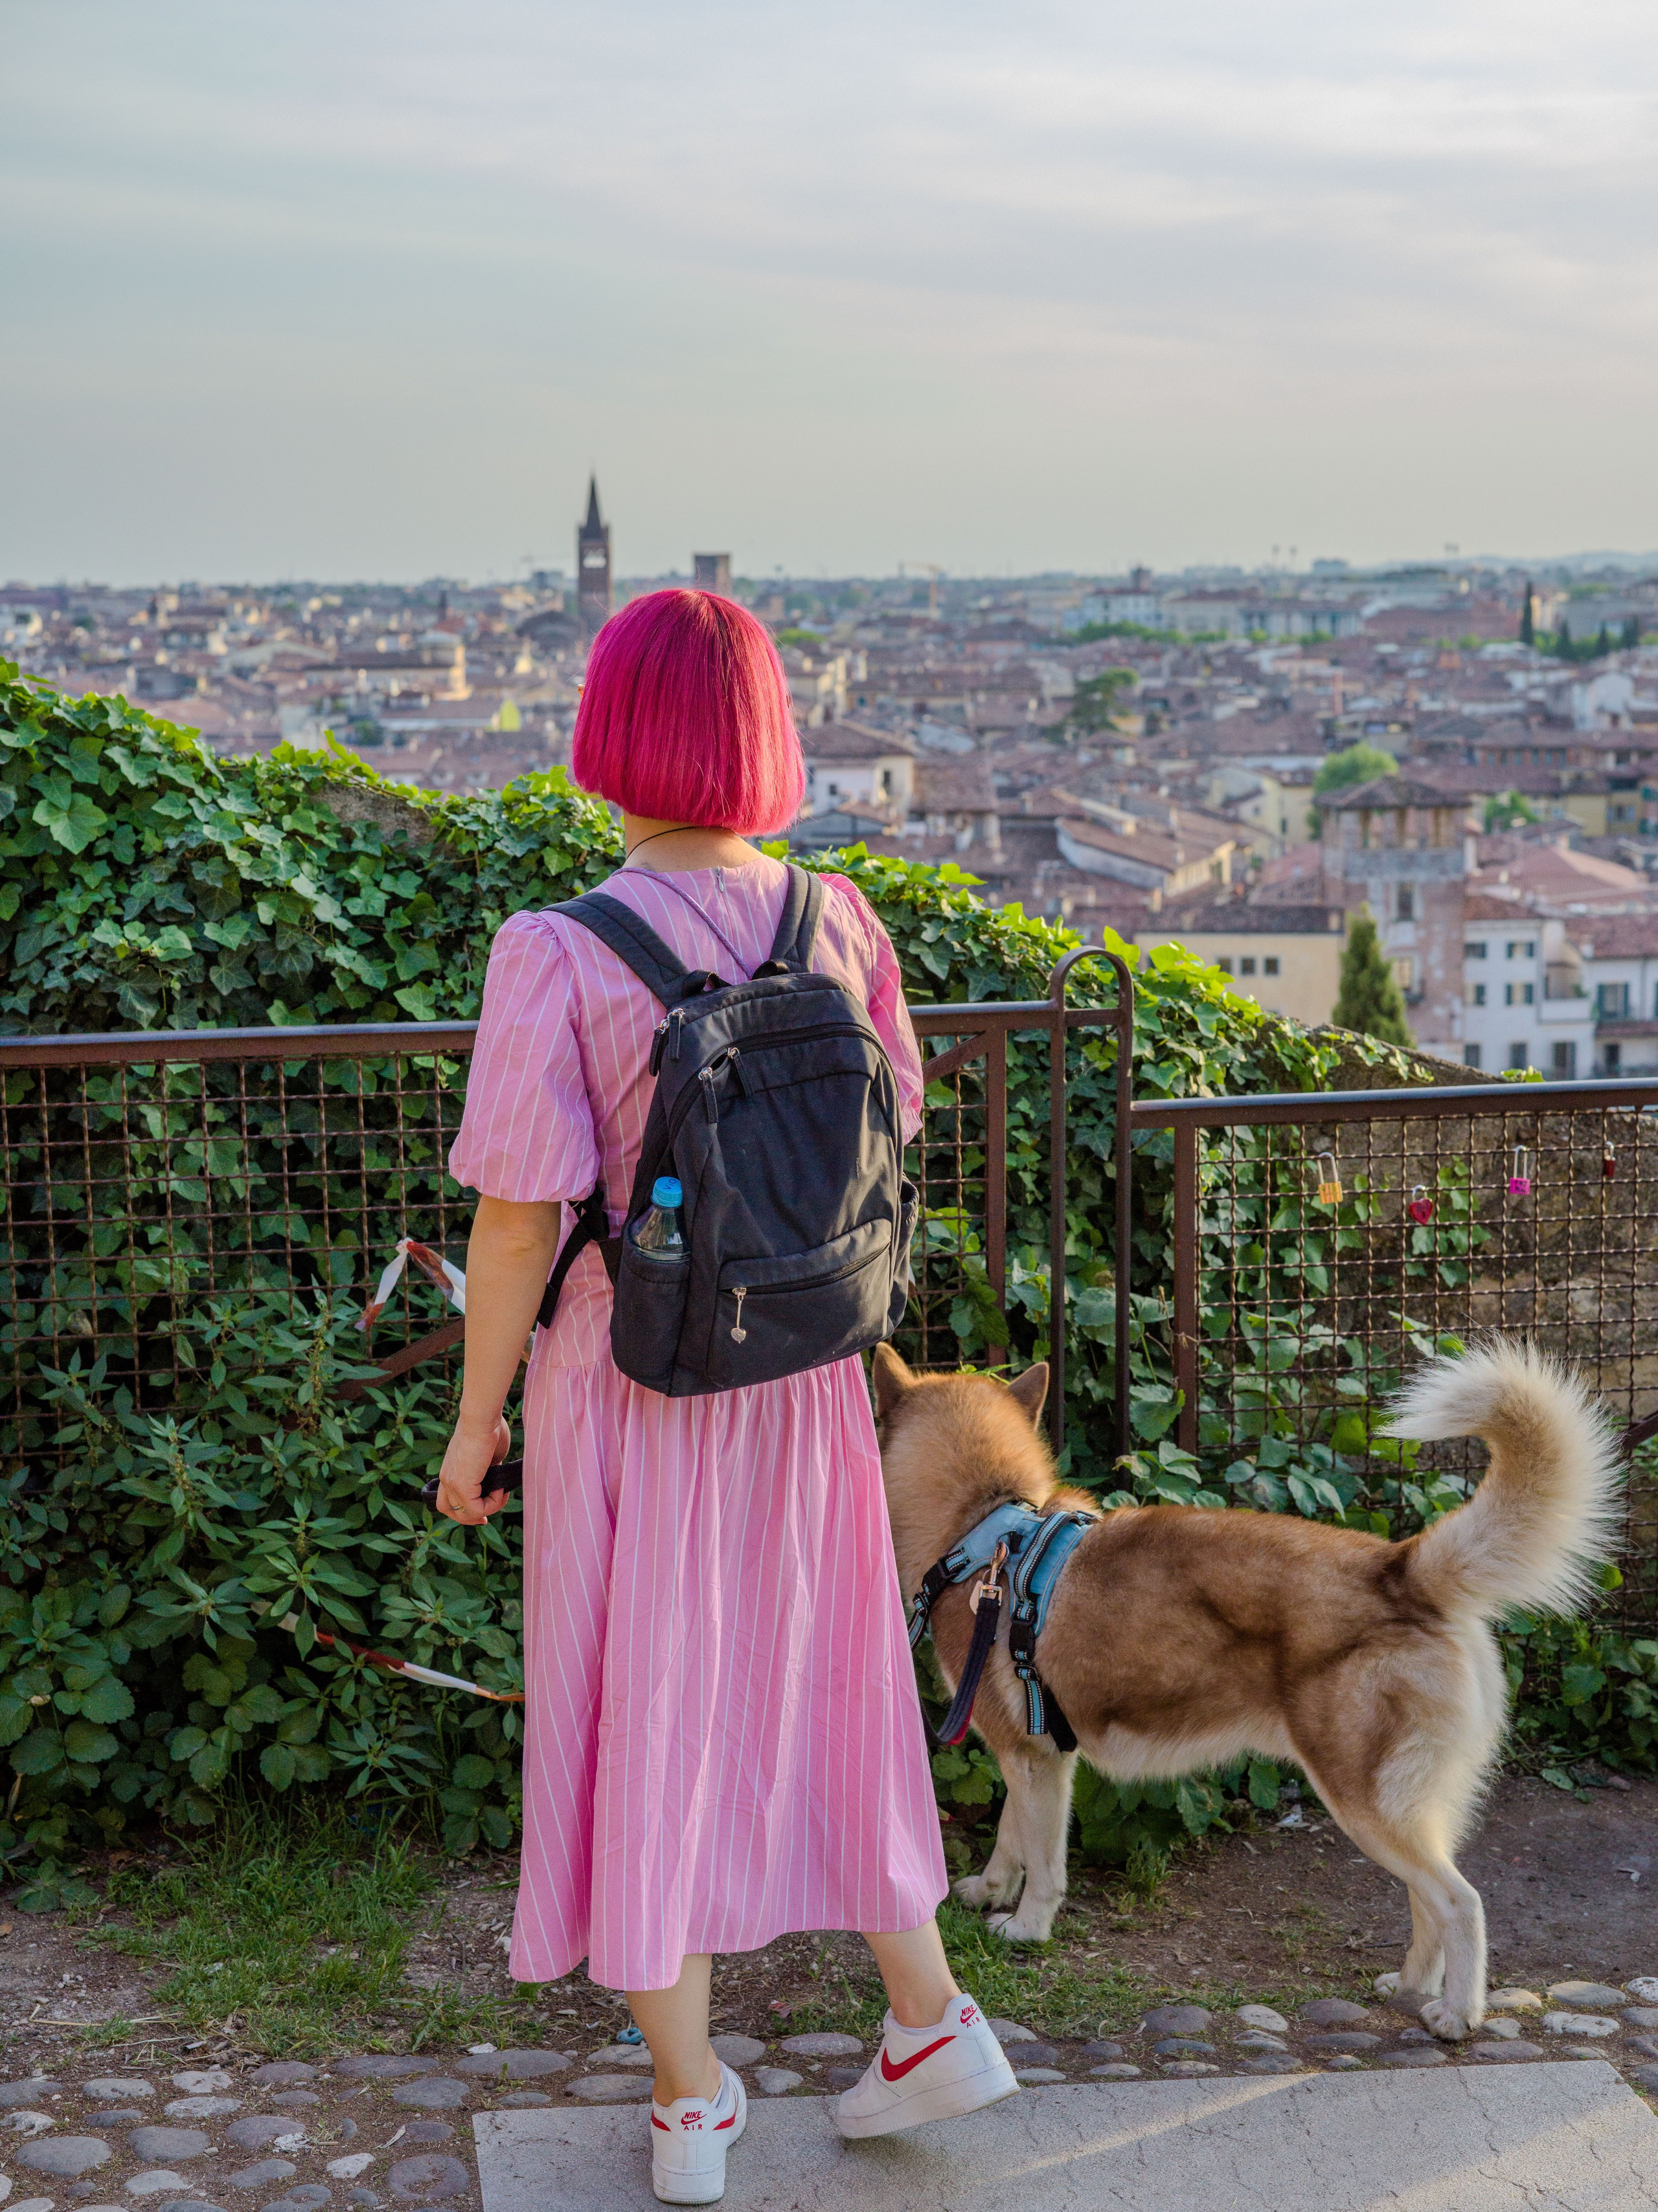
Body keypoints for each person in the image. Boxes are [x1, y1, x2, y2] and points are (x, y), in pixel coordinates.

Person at [437, 589, 1016, 2205]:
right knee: (828, 1685)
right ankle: (927, 2014)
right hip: (802, 1382)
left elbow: (515, 1214)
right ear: (764, 728)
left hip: (631, 1387)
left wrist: (475, 1423)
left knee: (641, 1707)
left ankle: (691, 2102)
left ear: (610, 733)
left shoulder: (552, 950)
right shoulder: (841, 922)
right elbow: (883, 1138)